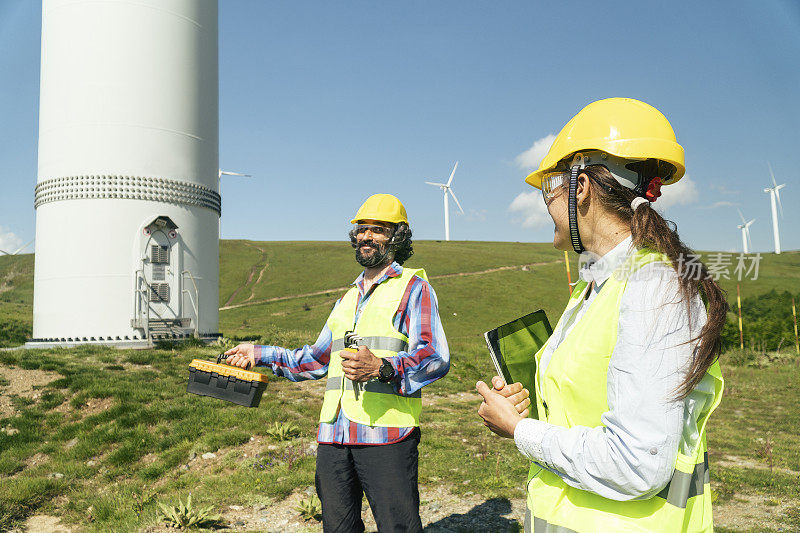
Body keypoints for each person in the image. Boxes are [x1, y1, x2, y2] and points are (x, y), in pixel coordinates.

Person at [476, 98, 726, 533]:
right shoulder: (597, 284)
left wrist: (521, 431)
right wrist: (532, 406)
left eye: (549, 188)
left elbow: (637, 464)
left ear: (582, 188)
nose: (545, 205)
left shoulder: (653, 288)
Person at [225, 193, 449, 533]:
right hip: (333, 437)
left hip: (386, 437)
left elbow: (434, 356)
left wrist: (383, 368)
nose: (366, 237)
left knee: (397, 527)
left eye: (377, 229)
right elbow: (315, 359)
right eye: (361, 230)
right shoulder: (348, 298)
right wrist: (260, 353)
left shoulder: (413, 289)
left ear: (397, 237)